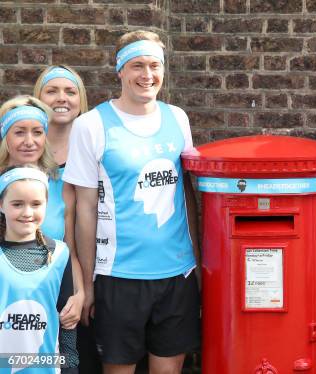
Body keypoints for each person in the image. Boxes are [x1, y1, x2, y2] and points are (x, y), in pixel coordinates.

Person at [63, 30, 200, 374]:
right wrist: (89, 283)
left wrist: (198, 265)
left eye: (155, 65)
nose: (147, 75)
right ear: (120, 71)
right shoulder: (90, 125)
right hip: (117, 276)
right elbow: (85, 210)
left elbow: (186, 195)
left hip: (177, 273)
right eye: (137, 65)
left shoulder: (177, 118)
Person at [0, 96, 83, 373]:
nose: (29, 141)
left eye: (37, 132)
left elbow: (70, 248)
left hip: (48, 311)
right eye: (19, 132)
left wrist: (80, 294)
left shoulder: (62, 184)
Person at [34, 65, 101, 373]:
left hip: (70, 267)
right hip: (27, 270)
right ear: (39, 97)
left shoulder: (89, 145)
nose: (61, 98)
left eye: (70, 91)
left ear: (80, 99)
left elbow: (71, 240)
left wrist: (83, 288)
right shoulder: (26, 144)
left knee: (76, 356)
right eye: (52, 90)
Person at [0, 165, 74, 374]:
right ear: (1, 204)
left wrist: (70, 367)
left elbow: (67, 319)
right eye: (17, 204)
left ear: (47, 205)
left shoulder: (60, 254)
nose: (27, 212)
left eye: (36, 204)